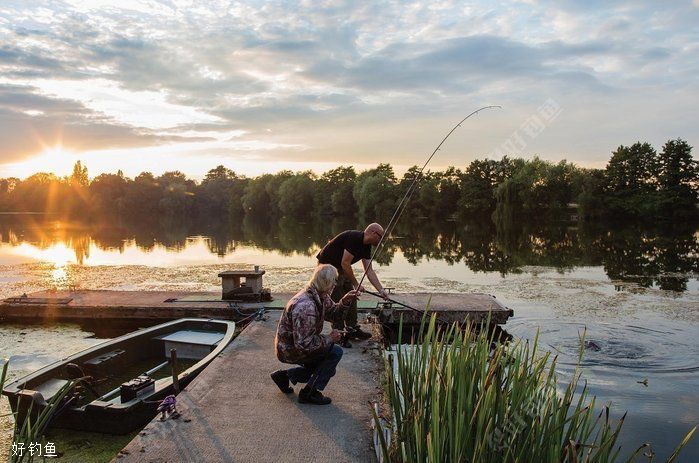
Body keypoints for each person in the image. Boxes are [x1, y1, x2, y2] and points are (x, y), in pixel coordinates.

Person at [271, 264, 359, 405]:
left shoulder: (319, 294)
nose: (335, 284)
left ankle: (285, 376)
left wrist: (345, 301)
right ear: (327, 283)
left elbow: (334, 314)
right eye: (334, 281)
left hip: (293, 345)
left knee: (324, 369)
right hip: (290, 349)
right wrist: (330, 338)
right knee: (334, 354)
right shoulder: (306, 307)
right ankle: (309, 393)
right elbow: (304, 345)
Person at [316, 223, 389, 344]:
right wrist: (356, 284)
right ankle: (338, 333)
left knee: (352, 295)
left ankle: (352, 328)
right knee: (338, 294)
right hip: (327, 267)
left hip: (340, 268)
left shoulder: (366, 247)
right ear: (373, 233)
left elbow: (369, 270)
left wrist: (381, 291)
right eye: (380, 237)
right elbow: (345, 263)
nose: (381, 241)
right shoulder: (354, 238)